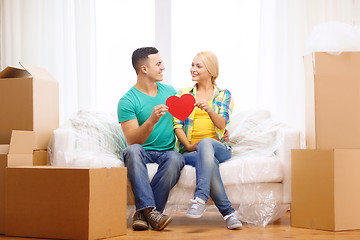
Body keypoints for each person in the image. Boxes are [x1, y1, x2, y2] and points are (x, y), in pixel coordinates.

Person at [117, 47, 185, 231]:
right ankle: (153, 213)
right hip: (142, 152)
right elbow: (132, 141)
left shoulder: (170, 92)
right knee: (131, 151)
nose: (163, 67)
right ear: (144, 69)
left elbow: (185, 123)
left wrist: (219, 132)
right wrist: (151, 121)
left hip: (167, 152)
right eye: (158, 64)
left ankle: (143, 213)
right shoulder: (127, 101)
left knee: (176, 158)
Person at [173, 51, 242, 229]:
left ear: (210, 71)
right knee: (209, 162)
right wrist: (188, 145)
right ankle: (229, 213)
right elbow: (177, 125)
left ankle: (200, 197)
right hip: (190, 152)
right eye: (192, 65)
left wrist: (210, 109)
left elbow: (222, 122)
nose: (192, 69)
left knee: (206, 143)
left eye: (198, 66)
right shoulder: (184, 94)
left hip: (219, 148)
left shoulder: (223, 95)